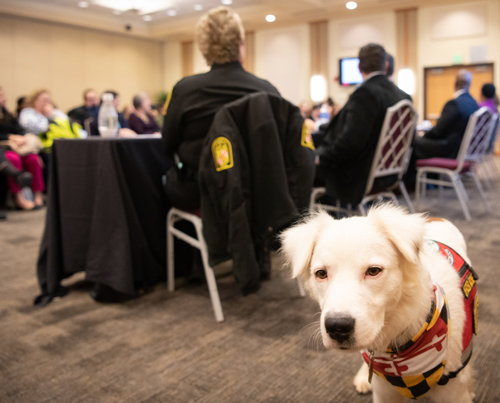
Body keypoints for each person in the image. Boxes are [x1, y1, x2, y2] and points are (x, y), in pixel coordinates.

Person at [162, 6, 280, 210]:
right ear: (241, 46)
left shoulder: (185, 89)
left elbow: (168, 144)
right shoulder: (267, 90)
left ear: (204, 49)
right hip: (256, 196)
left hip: (203, 193)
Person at [315, 43, 411, 205]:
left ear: (359, 67)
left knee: (303, 166)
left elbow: (351, 143)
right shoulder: (403, 96)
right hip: (389, 173)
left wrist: (320, 157)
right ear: (386, 65)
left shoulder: (365, 94)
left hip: (359, 175)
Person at [412, 70, 479, 161]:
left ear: (455, 84)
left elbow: (438, 131)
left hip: (450, 151)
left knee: (413, 142)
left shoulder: (454, 103)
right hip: (465, 150)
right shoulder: (474, 104)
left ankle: (413, 175)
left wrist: (423, 135)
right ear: (470, 85)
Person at [0, 87, 44, 209]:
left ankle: (38, 196)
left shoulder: (9, 115)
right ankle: (19, 198)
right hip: (5, 147)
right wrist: (11, 137)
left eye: (3, 96)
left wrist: (22, 138)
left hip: (19, 146)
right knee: (13, 159)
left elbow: (20, 129)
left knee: (33, 158)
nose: (3, 99)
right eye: (1, 96)